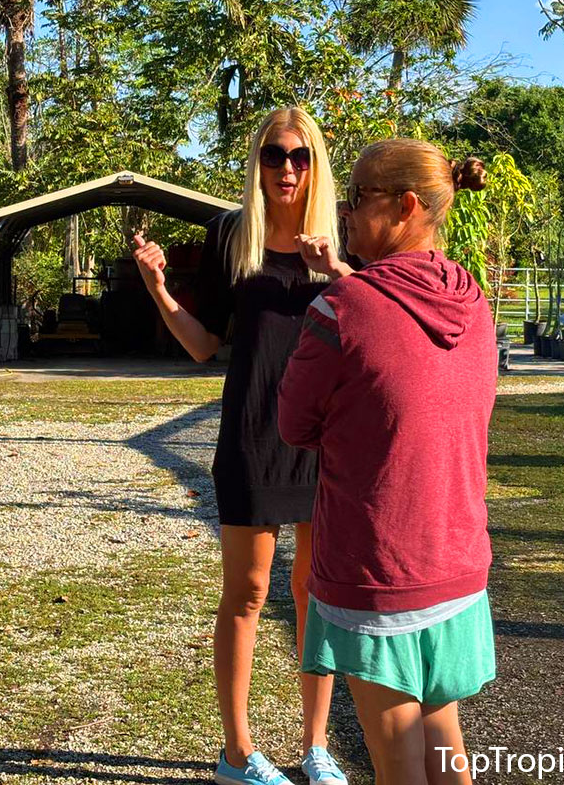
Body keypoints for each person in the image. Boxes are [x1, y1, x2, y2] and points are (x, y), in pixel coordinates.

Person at [132, 107, 351, 785]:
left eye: (300, 156)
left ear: (316, 164)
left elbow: (376, 330)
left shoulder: (344, 245)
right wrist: (158, 288)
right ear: (257, 162)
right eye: (274, 155)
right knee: (249, 592)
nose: (287, 168)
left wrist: (335, 268)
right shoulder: (231, 237)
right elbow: (203, 345)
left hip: (326, 442)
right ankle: (237, 754)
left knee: (316, 591)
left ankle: (317, 747)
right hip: (254, 434)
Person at [278, 139, 497, 785]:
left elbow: (293, 424)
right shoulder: (474, 303)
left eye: (359, 198)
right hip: (457, 569)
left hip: (380, 577)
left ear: (405, 206)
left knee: (396, 762)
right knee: (443, 743)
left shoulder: (337, 313)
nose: (344, 212)